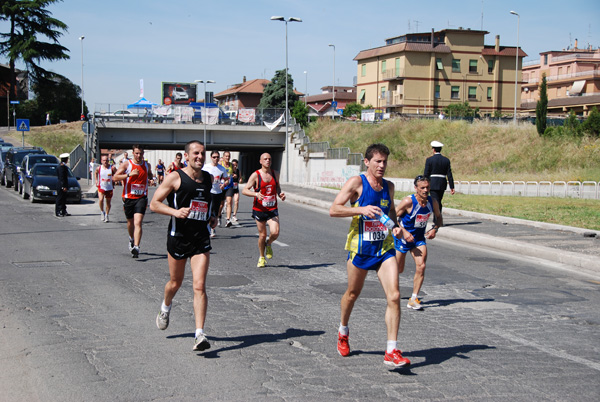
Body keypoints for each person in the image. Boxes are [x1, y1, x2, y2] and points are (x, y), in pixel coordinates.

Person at [329, 143, 410, 368]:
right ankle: (343, 330)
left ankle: (391, 351)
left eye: (385, 161)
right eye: (378, 161)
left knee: (394, 296)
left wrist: (396, 227)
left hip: (384, 248)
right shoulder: (357, 183)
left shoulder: (389, 187)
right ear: (367, 162)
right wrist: (359, 209)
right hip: (360, 249)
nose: (382, 165)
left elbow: (391, 211)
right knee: (353, 294)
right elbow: (334, 209)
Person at [150, 140, 217, 353]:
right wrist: (175, 212)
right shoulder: (175, 177)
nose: (200, 157)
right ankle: (165, 307)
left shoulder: (208, 178)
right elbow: (154, 203)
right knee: (175, 283)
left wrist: (212, 217)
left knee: (199, 286)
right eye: (196, 153)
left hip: (200, 239)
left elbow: (206, 203)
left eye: (202, 153)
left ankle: (199, 334)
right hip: (178, 237)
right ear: (186, 156)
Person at [394, 176, 443, 311]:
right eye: (422, 188)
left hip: (418, 239)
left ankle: (414, 298)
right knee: (399, 269)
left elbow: (439, 218)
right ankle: (391, 289)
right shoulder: (408, 201)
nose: (425, 190)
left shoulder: (432, 202)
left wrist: (435, 229)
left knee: (421, 266)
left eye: (427, 187)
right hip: (403, 238)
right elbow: (392, 217)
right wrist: (403, 231)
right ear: (416, 188)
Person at [242, 153, 285, 268]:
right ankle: (261, 257)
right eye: (265, 159)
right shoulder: (255, 175)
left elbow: (277, 187)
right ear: (260, 161)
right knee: (262, 235)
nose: (268, 161)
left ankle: (269, 244)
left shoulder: (275, 174)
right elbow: (245, 190)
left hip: (272, 209)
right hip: (259, 209)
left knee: (275, 232)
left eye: (269, 159)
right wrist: (255, 194)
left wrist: (280, 194)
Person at [114, 145, 155, 258]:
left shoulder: (147, 165)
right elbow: (114, 178)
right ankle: (131, 239)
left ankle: (136, 247)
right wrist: (128, 174)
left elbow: (150, 174)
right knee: (130, 223)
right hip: (128, 197)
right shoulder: (127, 164)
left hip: (141, 197)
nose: (139, 156)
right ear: (133, 153)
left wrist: (151, 179)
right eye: (136, 153)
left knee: (138, 222)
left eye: (141, 153)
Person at [424, 140, 454, 215]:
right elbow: (449, 174)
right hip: (442, 183)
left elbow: (426, 173)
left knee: (435, 201)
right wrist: (452, 186)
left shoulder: (429, 160)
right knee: (438, 200)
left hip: (433, 183)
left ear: (433, 149)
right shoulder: (446, 160)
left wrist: (424, 183)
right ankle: (438, 218)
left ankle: (437, 219)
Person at [202, 150, 228, 237]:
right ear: (211, 158)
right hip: (208, 192)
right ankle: (209, 228)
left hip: (218, 192)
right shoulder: (205, 167)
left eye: (217, 157)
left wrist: (224, 184)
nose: (216, 159)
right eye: (214, 157)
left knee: (215, 211)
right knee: (209, 209)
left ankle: (213, 227)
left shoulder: (222, 168)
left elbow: (226, 179)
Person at [96, 155, 116, 222]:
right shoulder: (99, 168)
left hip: (109, 187)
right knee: (101, 199)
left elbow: (117, 174)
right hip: (101, 186)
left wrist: (115, 179)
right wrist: (96, 180)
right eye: (104, 160)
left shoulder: (112, 168)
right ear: (101, 161)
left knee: (108, 203)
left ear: (108, 161)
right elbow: (96, 173)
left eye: (106, 160)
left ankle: (107, 215)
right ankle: (102, 212)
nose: (105, 162)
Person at [220, 151, 234, 227]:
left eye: (228, 156)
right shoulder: (220, 164)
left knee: (229, 202)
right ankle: (219, 216)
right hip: (222, 186)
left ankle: (228, 220)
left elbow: (233, 173)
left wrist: (234, 175)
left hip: (229, 186)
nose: (227, 158)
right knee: (221, 205)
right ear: (223, 156)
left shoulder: (231, 165)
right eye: (226, 156)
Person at [55, 153, 70, 217]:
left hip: (63, 184)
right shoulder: (61, 167)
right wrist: (63, 186)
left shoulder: (62, 166)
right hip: (61, 185)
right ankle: (58, 211)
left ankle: (63, 211)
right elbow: (62, 178)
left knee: (64, 199)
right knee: (59, 199)